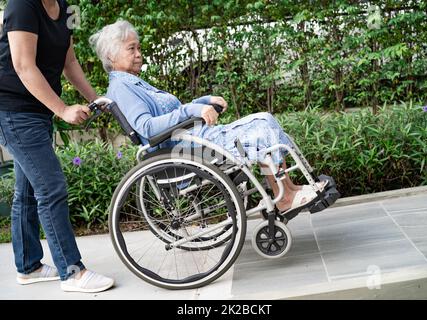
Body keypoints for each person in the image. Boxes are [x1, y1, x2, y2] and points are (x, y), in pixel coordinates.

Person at [89, 20, 327, 213]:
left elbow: (171, 113)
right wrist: (193, 110)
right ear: (111, 57)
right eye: (132, 49)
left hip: (192, 141)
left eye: (138, 47)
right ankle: (283, 197)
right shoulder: (122, 87)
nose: (139, 54)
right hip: (185, 150)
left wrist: (204, 102)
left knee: (264, 119)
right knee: (261, 129)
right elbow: (148, 128)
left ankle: (288, 188)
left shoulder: (133, 82)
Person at [0, 0, 114, 293]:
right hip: (12, 109)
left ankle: (29, 267)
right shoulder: (21, 6)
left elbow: (70, 61)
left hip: (36, 110)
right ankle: (72, 272)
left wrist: (95, 98)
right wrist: (62, 109)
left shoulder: (68, 8)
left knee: (26, 192)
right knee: (51, 188)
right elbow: (23, 66)